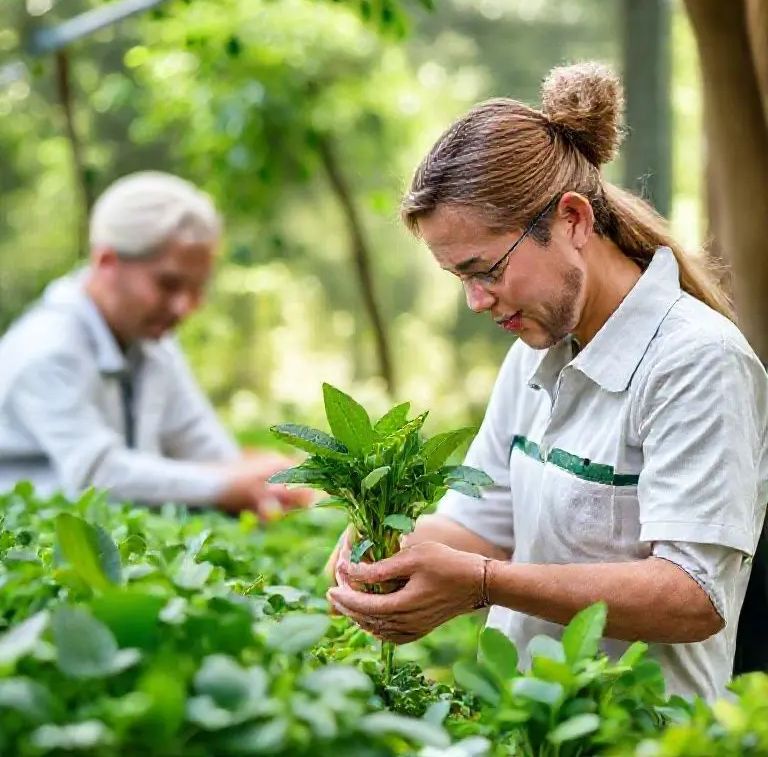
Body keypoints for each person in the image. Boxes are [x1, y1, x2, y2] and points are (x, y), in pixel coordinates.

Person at [325, 62, 768, 702]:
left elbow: (693, 596)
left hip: (640, 733)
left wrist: (481, 583)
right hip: (527, 725)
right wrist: (385, 549)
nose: (477, 301)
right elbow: (480, 526)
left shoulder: (695, 360)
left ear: (573, 221)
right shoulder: (536, 349)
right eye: (460, 280)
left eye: (485, 270)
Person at [0, 171, 310, 519]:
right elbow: (96, 473)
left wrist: (265, 479)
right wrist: (226, 486)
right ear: (107, 263)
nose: (185, 306)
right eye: (169, 284)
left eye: (197, 288)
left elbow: (207, 449)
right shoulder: (47, 349)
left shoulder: (152, 343)